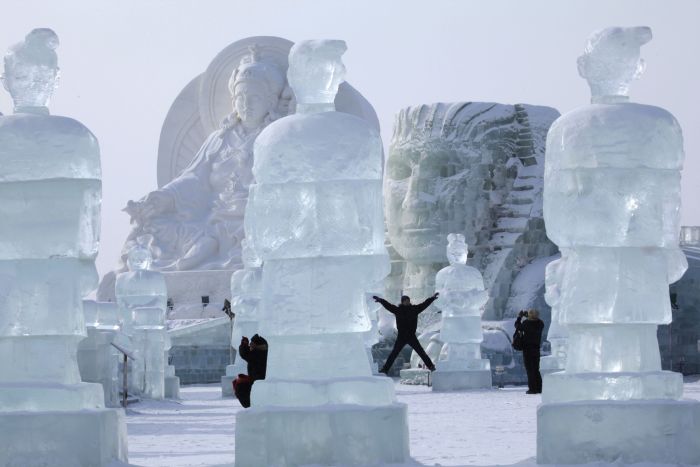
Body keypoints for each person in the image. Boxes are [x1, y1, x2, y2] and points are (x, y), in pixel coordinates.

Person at [373, 293, 439, 374]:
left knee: (421, 353)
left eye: (408, 300)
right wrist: (380, 300)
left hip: (411, 336)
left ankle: (431, 367)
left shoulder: (414, 309)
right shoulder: (398, 310)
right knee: (394, 354)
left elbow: (424, 304)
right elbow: (388, 306)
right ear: (402, 302)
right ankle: (385, 370)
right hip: (401, 337)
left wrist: (432, 298)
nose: (407, 302)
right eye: (406, 301)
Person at [233, 334, 268, 408]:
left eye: (251, 344)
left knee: (240, 387)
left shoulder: (258, 353)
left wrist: (244, 344)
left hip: (257, 381)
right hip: (260, 380)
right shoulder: (264, 352)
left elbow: (244, 354)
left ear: (257, 345)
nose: (250, 346)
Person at [515, 309, 544, 394]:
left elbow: (517, 325)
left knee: (529, 369)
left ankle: (532, 389)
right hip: (536, 349)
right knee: (536, 369)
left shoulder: (526, 324)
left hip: (527, 349)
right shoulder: (540, 323)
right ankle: (539, 388)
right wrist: (529, 316)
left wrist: (519, 317)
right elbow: (533, 320)